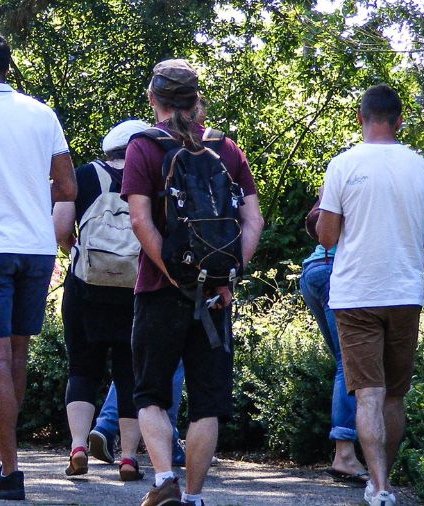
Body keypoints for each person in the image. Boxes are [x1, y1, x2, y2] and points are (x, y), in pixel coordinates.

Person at [122, 59, 263, 506]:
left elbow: (141, 222)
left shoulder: (142, 148)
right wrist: (225, 275)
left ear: (153, 99)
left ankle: (165, 477)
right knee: (207, 401)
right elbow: (253, 219)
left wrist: (175, 274)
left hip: (159, 292)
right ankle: (195, 496)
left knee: (149, 392)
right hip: (216, 298)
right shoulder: (226, 149)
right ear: (197, 100)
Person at [0, 30, 75, 501]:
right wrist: (28, 194)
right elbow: (66, 187)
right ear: (8, 66)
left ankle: (10, 471)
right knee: (18, 354)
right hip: (36, 246)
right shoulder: (41, 113)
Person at [316, 84, 424, 506]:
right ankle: (383, 477)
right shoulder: (420, 167)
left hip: (355, 294)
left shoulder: (342, 165)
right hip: (404, 290)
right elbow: (422, 235)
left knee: (367, 393)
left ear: (360, 119)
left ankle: (380, 486)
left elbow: (327, 237)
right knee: (394, 394)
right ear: (399, 121)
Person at [54, 119, 148, 482]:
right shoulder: (151, 180)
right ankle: (127, 458)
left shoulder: (84, 175)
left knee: (81, 368)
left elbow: (61, 228)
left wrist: (74, 251)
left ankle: (79, 447)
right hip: (135, 290)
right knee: (130, 374)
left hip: (86, 286)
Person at [301, 208, 368, 485]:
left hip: (314, 270)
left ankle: (347, 452)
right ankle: (344, 454)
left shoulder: (340, 174)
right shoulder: (372, 176)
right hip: (335, 271)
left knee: (345, 364)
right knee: (348, 365)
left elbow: (313, 224)